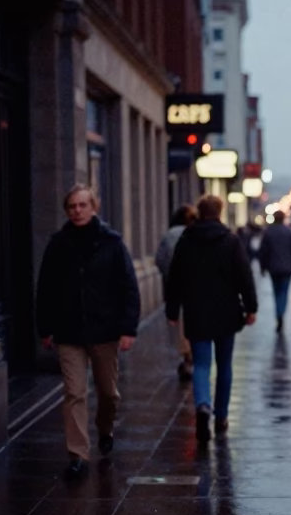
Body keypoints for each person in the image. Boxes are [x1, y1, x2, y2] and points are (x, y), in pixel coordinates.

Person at [36, 184, 140, 477]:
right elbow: (45, 288)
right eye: (72, 206)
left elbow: (129, 287)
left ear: (94, 207)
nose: (77, 211)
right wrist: (45, 327)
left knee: (108, 393)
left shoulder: (112, 242)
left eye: (83, 205)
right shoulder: (59, 243)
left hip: (105, 331)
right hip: (69, 332)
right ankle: (78, 455)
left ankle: (105, 429)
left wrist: (128, 328)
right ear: (67, 211)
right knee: (74, 393)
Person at [165, 194, 257, 442]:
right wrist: (251, 308)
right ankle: (222, 417)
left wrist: (172, 311)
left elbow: (175, 278)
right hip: (226, 312)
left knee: (202, 364)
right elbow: (244, 277)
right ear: (220, 212)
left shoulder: (187, 240)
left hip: (196, 312)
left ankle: (203, 405)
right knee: (224, 364)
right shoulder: (231, 241)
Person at [155, 204, 197, 379]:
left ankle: (187, 356)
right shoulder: (195, 234)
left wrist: (169, 275)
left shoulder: (170, 234)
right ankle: (192, 356)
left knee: (180, 322)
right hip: (195, 286)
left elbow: (160, 259)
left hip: (175, 287)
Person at [257, 211, 291, 333]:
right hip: (287, 268)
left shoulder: (268, 232)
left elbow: (263, 251)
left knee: (276, 291)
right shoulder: (290, 232)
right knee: (283, 292)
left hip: (273, 268)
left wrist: (262, 267)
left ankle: (278, 313)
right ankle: (281, 313)